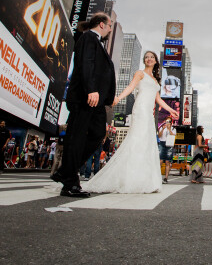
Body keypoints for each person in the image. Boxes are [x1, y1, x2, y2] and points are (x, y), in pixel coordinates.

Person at [83, 51, 178, 194]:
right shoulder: (140, 73)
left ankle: (144, 180)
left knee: (147, 142)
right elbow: (130, 87)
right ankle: (130, 179)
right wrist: (118, 98)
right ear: (144, 60)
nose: (149, 59)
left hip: (148, 112)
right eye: (146, 57)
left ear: (156, 61)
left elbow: (158, 99)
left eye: (151, 57)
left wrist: (171, 110)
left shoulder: (155, 80)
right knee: (137, 140)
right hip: (140, 108)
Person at [50, 13, 117, 198]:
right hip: (85, 97)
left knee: (97, 134)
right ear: (102, 25)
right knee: (76, 138)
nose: (111, 29)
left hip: (96, 100)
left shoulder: (96, 41)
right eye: (110, 25)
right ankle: (70, 183)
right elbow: (85, 64)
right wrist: (91, 89)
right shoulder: (88, 37)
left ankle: (66, 171)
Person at [158, 116, 176, 184]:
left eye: (169, 121)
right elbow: (159, 136)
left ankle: (166, 178)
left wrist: (169, 130)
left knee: (167, 162)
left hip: (169, 144)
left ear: (171, 122)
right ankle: (158, 176)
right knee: (160, 161)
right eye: (166, 121)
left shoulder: (173, 129)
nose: (167, 123)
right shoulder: (162, 128)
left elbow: (173, 136)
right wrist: (163, 129)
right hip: (162, 143)